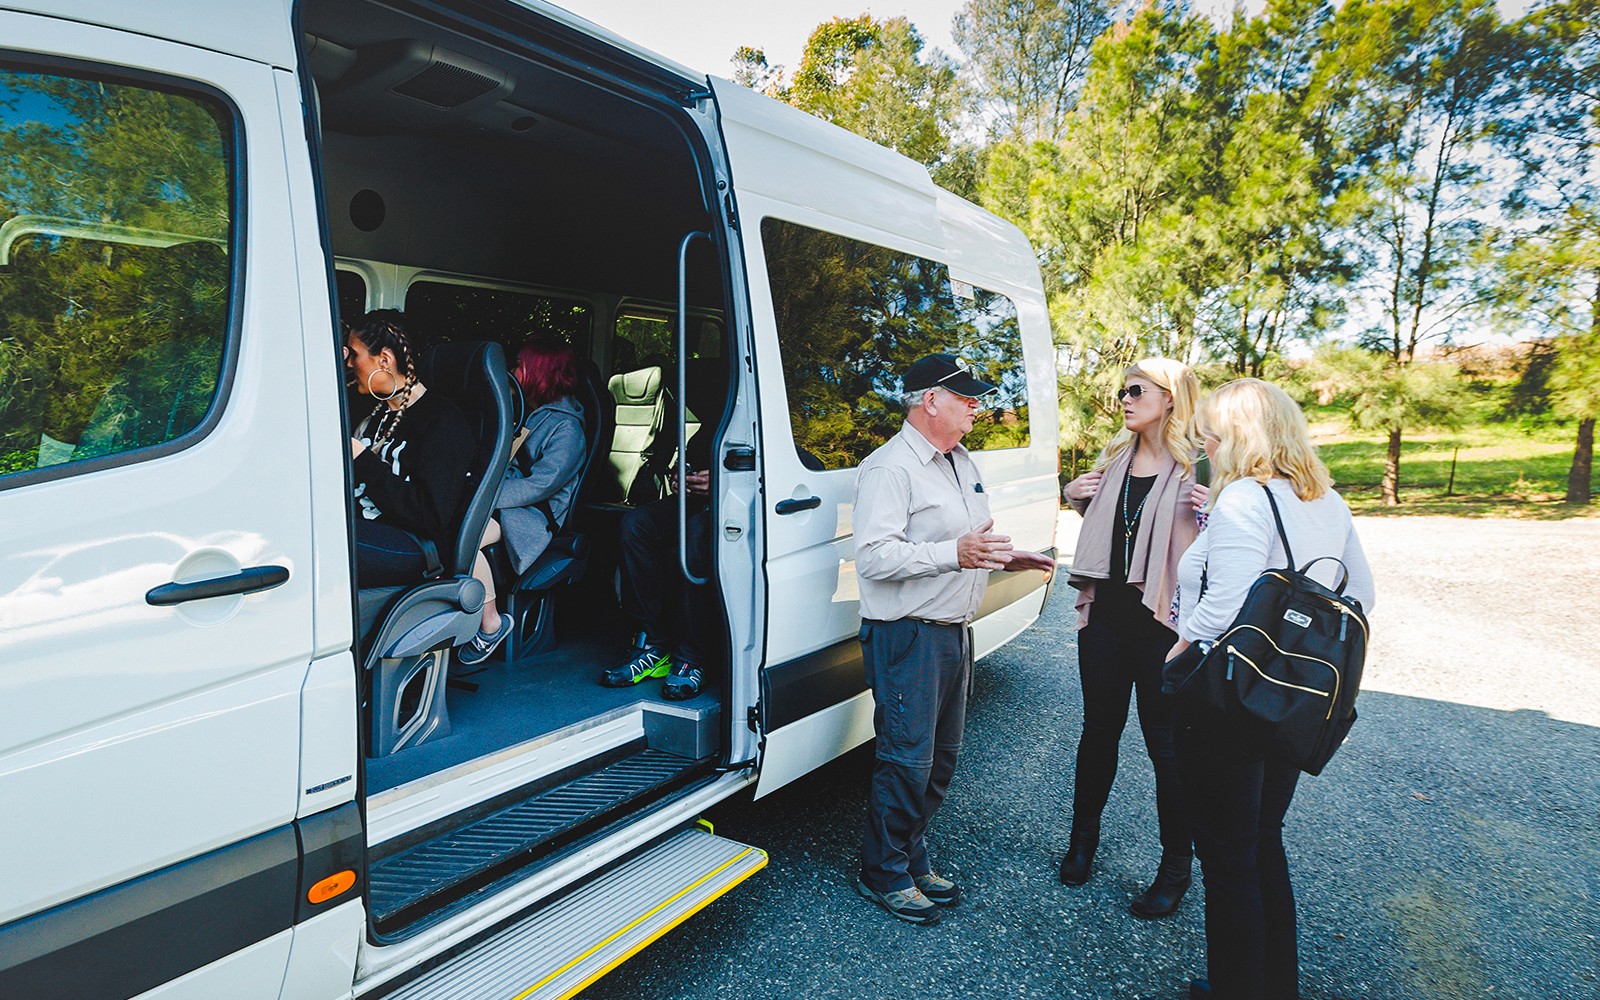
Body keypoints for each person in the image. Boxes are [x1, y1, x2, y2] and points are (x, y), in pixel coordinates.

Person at [1165, 378, 1375, 1000]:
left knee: (1227, 856)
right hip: (1294, 700)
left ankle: (1234, 988)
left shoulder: (1245, 500)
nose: (1203, 437)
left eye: (1211, 427)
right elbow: (1359, 596)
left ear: (1238, 434)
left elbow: (1226, 602)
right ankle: (1273, 984)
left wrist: (1182, 646)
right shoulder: (1327, 501)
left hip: (1228, 693)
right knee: (1262, 840)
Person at [852, 353, 1055, 925]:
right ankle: (883, 872)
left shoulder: (959, 460)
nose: (975, 405)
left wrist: (1005, 556)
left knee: (940, 761)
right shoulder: (890, 468)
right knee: (905, 761)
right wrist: (955, 553)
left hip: (951, 632)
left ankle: (909, 857)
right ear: (928, 401)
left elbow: (964, 540)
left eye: (975, 396)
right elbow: (873, 556)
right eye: (964, 396)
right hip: (908, 635)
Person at [1058, 358, 1207, 919]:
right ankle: (1082, 846)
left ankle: (1175, 870)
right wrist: (1076, 496)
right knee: (1098, 733)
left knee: (1166, 748)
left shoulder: (1201, 469)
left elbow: (1219, 543)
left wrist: (1216, 514)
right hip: (1107, 619)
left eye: (1136, 390)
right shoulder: (1113, 459)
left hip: (1162, 627)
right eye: (1123, 391)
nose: (1124, 399)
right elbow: (1109, 532)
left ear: (1169, 398)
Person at [598, 359, 728, 700]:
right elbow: (688, 467)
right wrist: (680, 479)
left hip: (739, 509)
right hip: (699, 505)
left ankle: (692, 656)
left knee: (698, 534)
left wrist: (722, 484)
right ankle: (653, 644)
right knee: (635, 524)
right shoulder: (710, 425)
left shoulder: (753, 418)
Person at [456, 335, 587, 666]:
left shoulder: (567, 428)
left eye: (519, 365)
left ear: (541, 371)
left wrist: (483, 496)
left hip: (529, 515)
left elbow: (540, 486)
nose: (513, 371)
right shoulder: (526, 412)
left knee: (462, 539)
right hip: (501, 506)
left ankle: (491, 625)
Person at [345, 310, 475, 587]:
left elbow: (429, 516)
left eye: (355, 355)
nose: (350, 364)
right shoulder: (374, 413)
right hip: (366, 525)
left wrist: (364, 460)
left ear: (385, 360)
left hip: (414, 542)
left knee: (313, 540)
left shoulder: (442, 420)